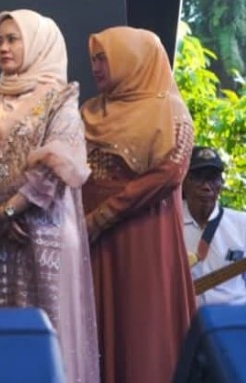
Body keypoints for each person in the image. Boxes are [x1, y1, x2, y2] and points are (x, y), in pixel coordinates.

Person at [0, 10, 98, 383]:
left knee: (44, 337)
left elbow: (58, 163)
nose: (4, 47)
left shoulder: (60, 98)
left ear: (36, 43)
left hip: (41, 234)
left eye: (13, 39)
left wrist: (9, 212)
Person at [81, 26, 195, 383]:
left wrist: (103, 216)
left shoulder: (169, 111)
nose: (96, 67)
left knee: (142, 327)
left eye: (104, 58)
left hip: (143, 237)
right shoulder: (88, 111)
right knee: (93, 327)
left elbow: (169, 172)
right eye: (94, 59)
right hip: (90, 239)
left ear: (132, 59)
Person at [182, 146, 246, 306]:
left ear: (221, 184)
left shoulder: (241, 223)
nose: (206, 186)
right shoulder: (169, 225)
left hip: (233, 316)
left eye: (213, 178)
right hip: (185, 317)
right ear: (184, 182)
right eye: (198, 178)